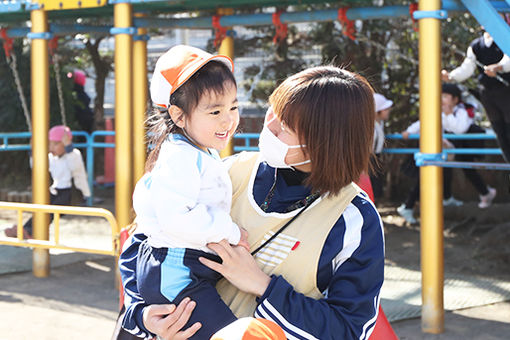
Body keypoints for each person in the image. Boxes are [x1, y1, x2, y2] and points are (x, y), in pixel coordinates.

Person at [118, 65, 385, 340]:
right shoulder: (229, 172)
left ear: (326, 142)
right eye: (274, 111)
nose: (269, 126)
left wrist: (262, 285)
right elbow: (143, 240)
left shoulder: (354, 219)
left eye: (286, 126)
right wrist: (141, 314)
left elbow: (349, 329)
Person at [121, 45, 250, 339]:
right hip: (177, 273)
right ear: (178, 115)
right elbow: (176, 219)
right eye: (215, 111)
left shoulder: (196, 152)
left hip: (184, 269)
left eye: (233, 106)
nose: (228, 119)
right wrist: (230, 232)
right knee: (229, 335)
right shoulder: (180, 157)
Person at [397, 83, 497, 224]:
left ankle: (482, 193)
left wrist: (449, 114)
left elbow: (460, 129)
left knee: (466, 169)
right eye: (440, 96)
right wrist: (410, 131)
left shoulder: (462, 111)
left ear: (455, 99)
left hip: (462, 145)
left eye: (445, 96)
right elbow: (424, 122)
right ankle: (416, 203)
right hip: (448, 146)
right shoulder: (439, 111)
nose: (442, 99)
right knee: (434, 171)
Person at [4, 125, 90, 239]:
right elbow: (37, 168)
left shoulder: (74, 154)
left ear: (66, 142)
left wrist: (69, 148)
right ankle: (26, 229)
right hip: (57, 190)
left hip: (73, 193)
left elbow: (76, 168)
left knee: (49, 210)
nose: (51, 147)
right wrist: (33, 152)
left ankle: (32, 231)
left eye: (55, 144)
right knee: (41, 207)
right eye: (49, 143)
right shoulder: (51, 157)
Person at [441, 26, 510, 162]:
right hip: (488, 93)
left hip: (506, 91)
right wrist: (451, 76)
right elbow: (467, 68)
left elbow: (508, 60)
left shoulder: (506, 37)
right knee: (499, 132)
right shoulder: (476, 45)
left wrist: (498, 67)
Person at [370, 93, 393, 202]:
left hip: (376, 158)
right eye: (385, 109)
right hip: (368, 160)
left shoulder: (380, 123)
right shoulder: (370, 126)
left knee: (376, 188)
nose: (388, 111)